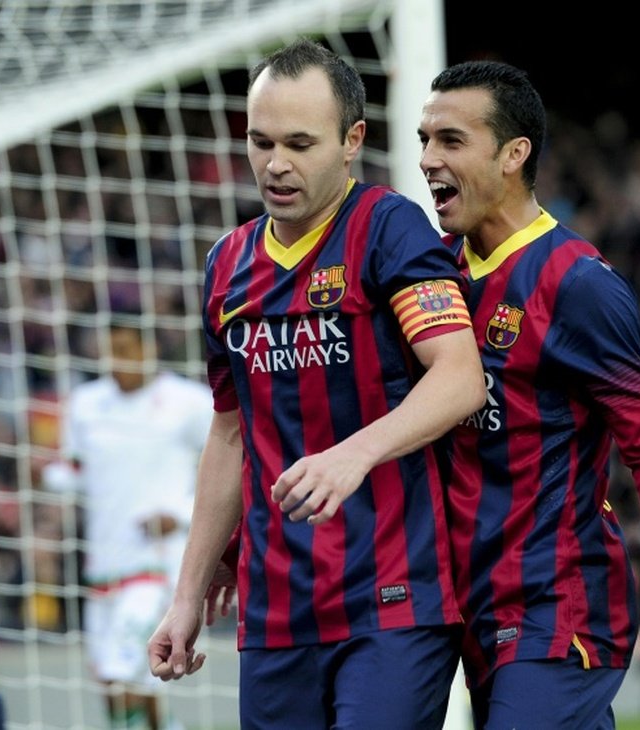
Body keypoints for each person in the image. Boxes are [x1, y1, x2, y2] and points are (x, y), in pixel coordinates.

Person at [146, 38, 486, 730]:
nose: (275, 164)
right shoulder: (226, 267)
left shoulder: (388, 228)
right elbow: (230, 432)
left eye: (300, 143)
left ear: (352, 139)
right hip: (275, 609)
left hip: (392, 599)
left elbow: (461, 379)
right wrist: (186, 594)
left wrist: (353, 454)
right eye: (260, 141)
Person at [417, 60, 640, 729]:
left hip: (558, 600)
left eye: (451, 141)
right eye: (424, 141)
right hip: (469, 600)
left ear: (514, 154)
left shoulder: (576, 282)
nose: (429, 159)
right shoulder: (436, 276)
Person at [42, 320, 212, 730]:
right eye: (110, 349)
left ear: (148, 349)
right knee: (115, 685)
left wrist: (183, 513)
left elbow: (232, 464)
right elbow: (73, 470)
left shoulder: (188, 401)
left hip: (158, 565)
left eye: (126, 348)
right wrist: (46, 476)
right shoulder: (85, 403)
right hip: (103, 563)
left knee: (126, 678)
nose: (117, 359)